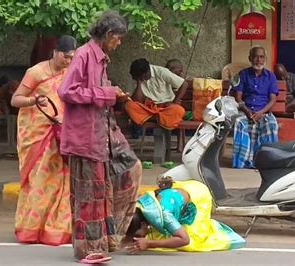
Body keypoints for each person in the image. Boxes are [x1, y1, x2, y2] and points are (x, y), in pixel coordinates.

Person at [57, 11, 142, 264]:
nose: (119, 42)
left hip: (104, 135)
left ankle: (108, 237)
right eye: (118, 38)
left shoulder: (101, 57)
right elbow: (66, 91)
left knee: (129, 170)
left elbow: (99, 94)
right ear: (107, 35)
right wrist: (107, 93)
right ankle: (88, 249)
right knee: (89, 194)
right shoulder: (84, 54)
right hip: (85, 138)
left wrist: (112, 95)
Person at [10, 35, 77, 245]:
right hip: (38, 134)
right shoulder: (36, 72)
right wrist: (33, 100)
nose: (68, 61)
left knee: (62, 181)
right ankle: (32, 228)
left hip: (61, 133)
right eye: (66, 56)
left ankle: (57, 229)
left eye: (72, 57)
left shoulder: (70, 72)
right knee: (40, 181)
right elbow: (15, 99)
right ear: (55, 52)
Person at [125, 178, 245, 253]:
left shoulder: (165, 215)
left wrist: (149, 243)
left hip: (199, 195)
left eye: (136, 235)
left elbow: (184, 240)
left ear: (143, 223)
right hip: (182, 189)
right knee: (161, 235)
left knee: (193, 240)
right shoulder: (140, 206)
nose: (135, 238)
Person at [232, 46, 279, 169]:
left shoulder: (270, 76)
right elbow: (238, 97)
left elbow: (273, 99)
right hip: (245, 111)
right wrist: (247, 111)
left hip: (264, 112)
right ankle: (242, 161)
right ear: (250, 58)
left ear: (265, 59)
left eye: (261, 57)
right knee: (238, 122)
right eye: (255, 56)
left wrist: (260, 113)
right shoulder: (243, 74)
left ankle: (268, 161)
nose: (258, 59)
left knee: (272, 124)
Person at [125, 58, 187, 130]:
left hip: (166, 108)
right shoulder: (140, 77)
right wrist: (139, 82)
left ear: (147, 72)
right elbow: (137, 100)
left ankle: (154, 118)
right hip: (149, 109)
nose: (142, 78)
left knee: (178, 110)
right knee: (129, 105)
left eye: (142, 76)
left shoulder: (162, 72)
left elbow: (184, 84)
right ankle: (159, 119)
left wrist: (174, 103)